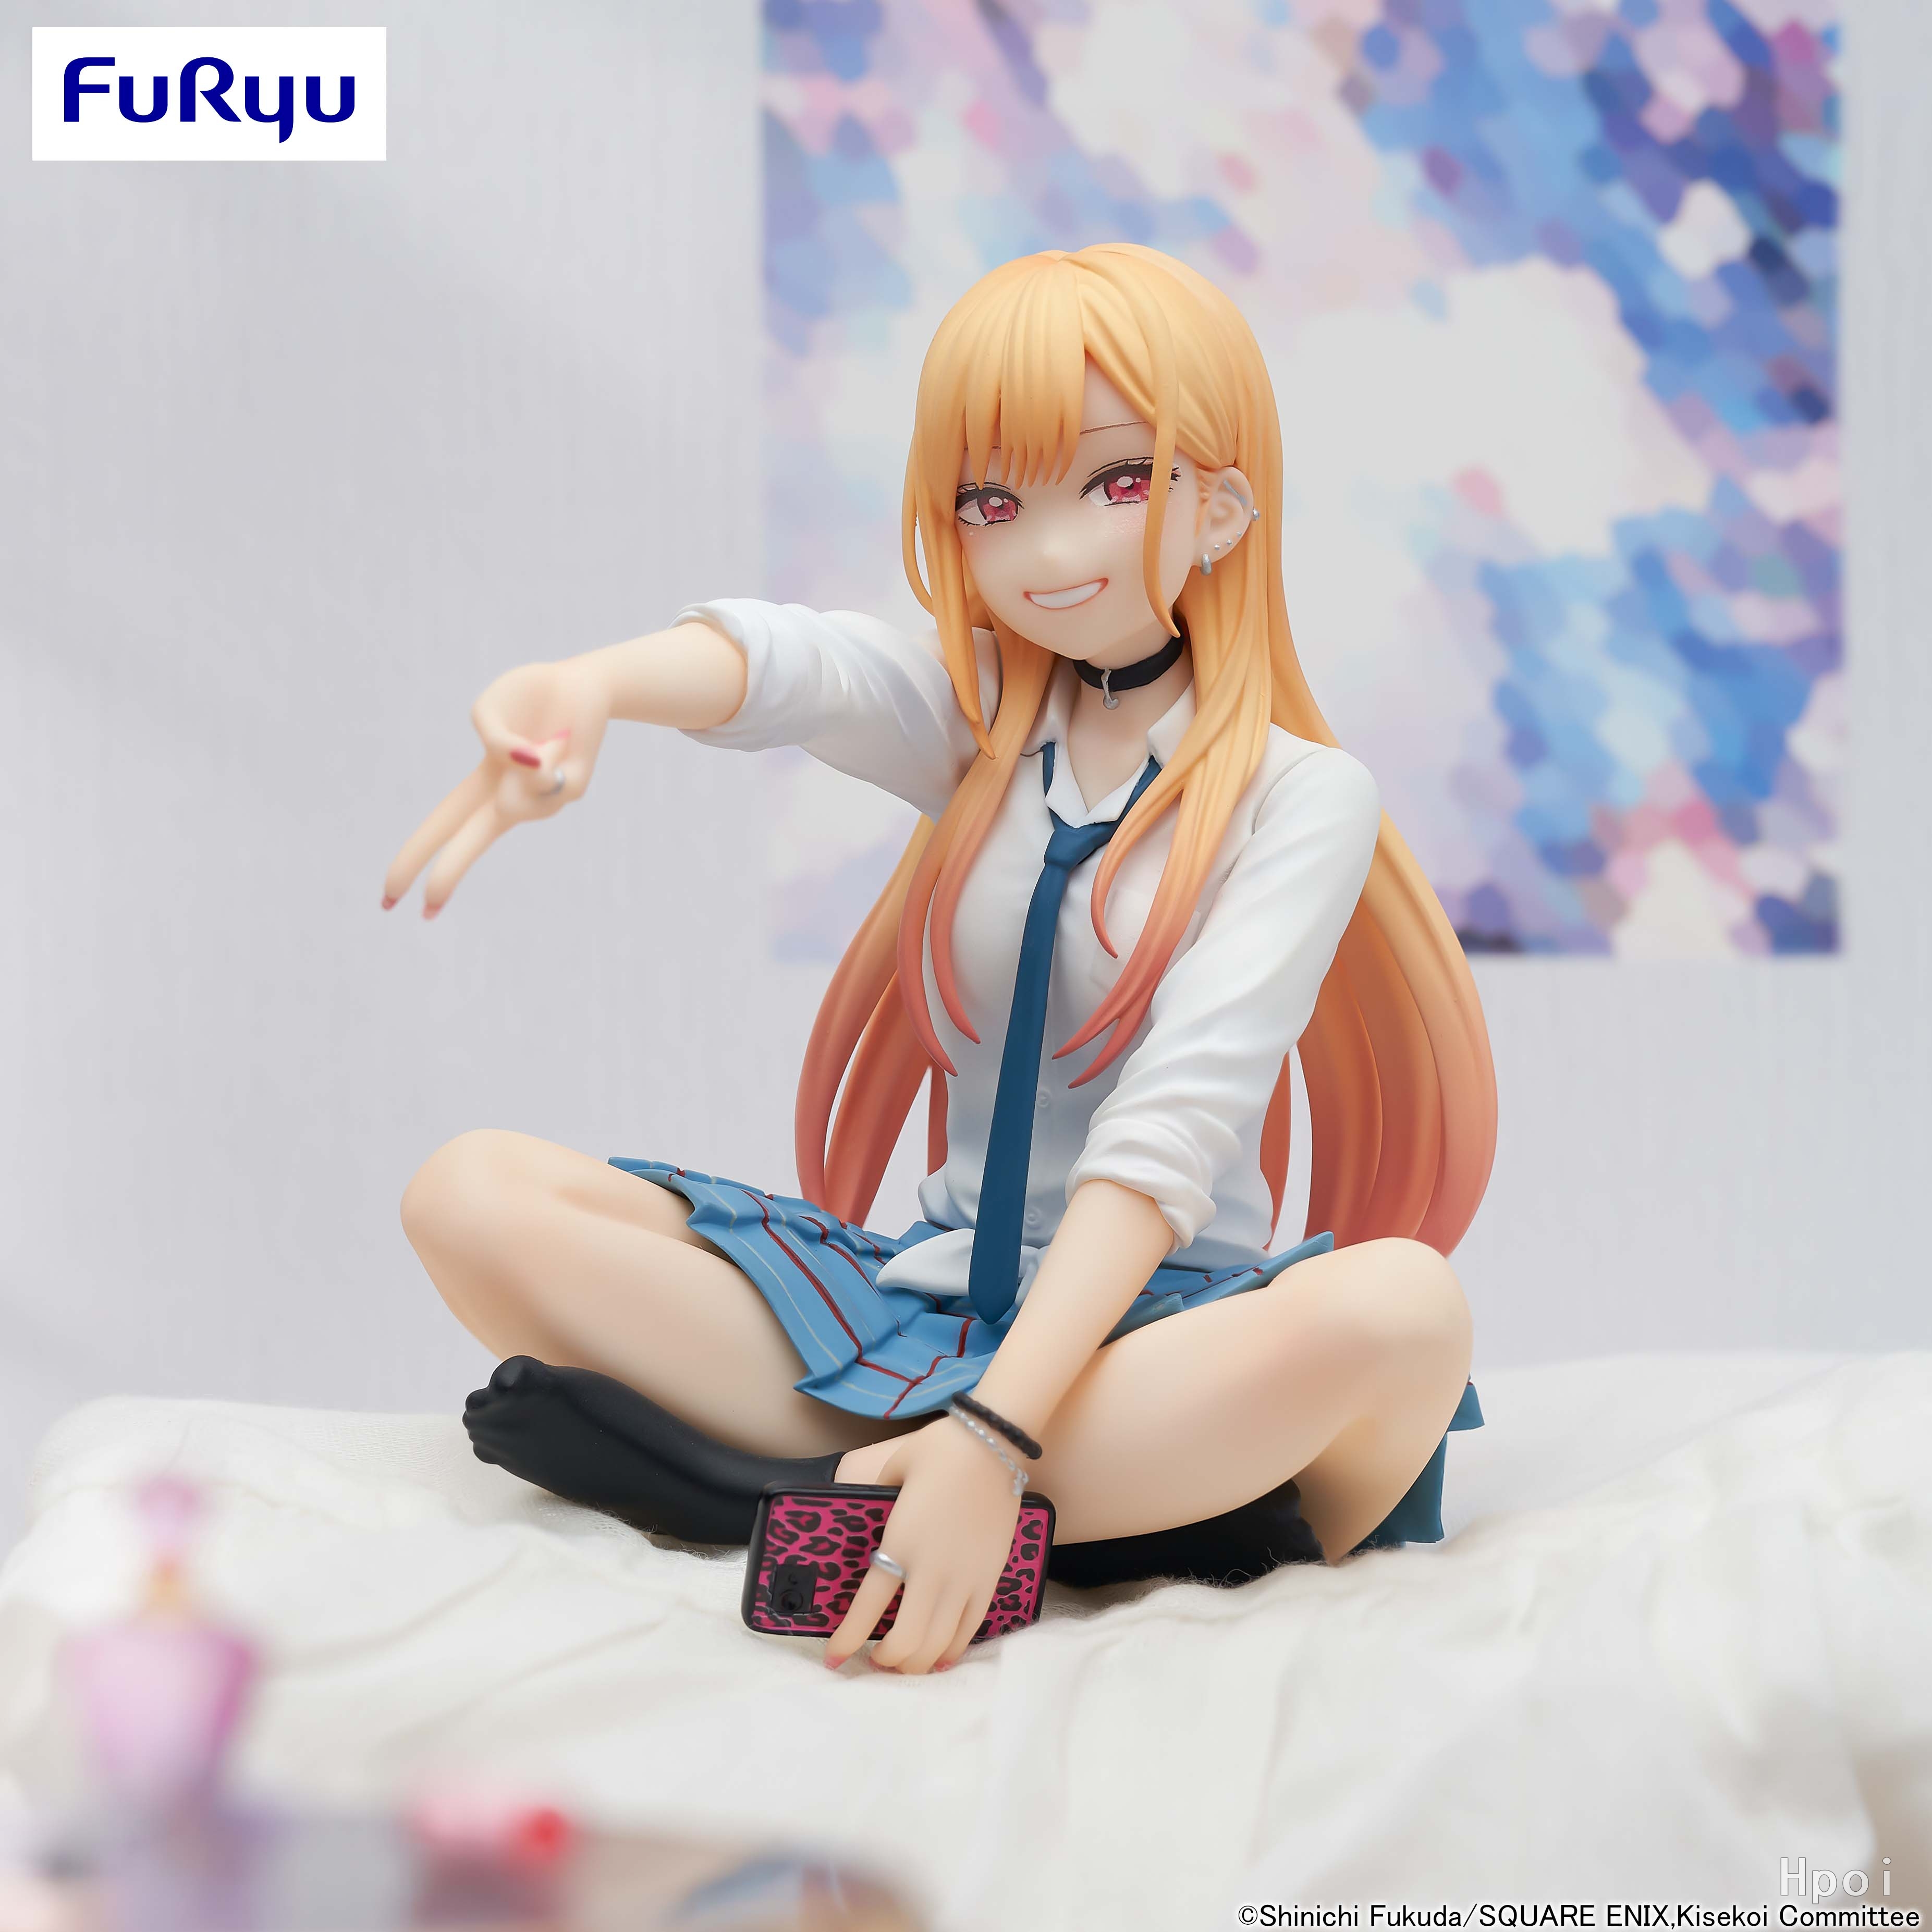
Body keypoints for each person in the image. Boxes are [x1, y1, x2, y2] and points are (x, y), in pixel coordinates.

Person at [385, 244, 1495, 1679]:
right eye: (992, 502)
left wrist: (997, 1428)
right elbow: (807, 669)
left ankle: (817, 1487)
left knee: (1402, 1311)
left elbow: (1174, 1125)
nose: (1047, 552)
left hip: (1151, 1342)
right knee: (470, 1193)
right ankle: (1024, 1511)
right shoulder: (985, 731)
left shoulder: (1300, 797)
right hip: (928, 1305)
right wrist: (592, 685)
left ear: (1220, 507)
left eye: (1114, 482)